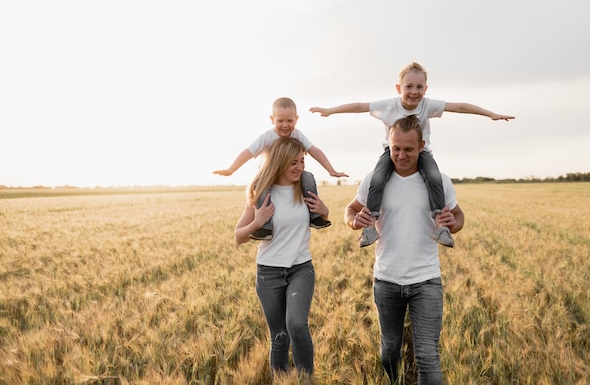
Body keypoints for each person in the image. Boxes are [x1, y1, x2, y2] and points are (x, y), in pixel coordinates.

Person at [311, 62, 513, 247]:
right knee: (378, 178)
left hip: (422, 152)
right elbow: (359, 106)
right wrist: (331, 111)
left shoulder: (428, 105)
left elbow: (459, 106)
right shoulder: (388, 105)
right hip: (390, 150)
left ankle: (441, 225)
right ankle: (370, 225)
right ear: (398, 88)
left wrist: (491, 115)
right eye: (409, 86)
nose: (414, 92)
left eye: (419, 87)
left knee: (434, 177)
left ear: (426, 89)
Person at [344, 115, 465, 384]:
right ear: (388, 146)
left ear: (422, 146)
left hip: (426, 280)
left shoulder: (439, 181)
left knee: (427, 355)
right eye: (395, 148)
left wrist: (451, 223)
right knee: (389, 350)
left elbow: (459, 217)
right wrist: (355, 221)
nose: (401, 155)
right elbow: (350, 210)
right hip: (386, 280)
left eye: (408, 149)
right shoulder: (374, 180)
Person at [235, 136, 329, 381]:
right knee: (279, 336)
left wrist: (325, 211)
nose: (299, 167)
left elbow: (322, 217)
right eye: (293, 163)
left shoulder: (306, 191)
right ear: (279, 162)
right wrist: (256, 222)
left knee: (297, 325)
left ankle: (305, 380)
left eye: (302, 161)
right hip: (268, 273)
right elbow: (238, 236)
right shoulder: (261, 194)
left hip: (301, 268)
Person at [215, 96, 347, 240]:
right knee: (260, 187)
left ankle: (314, 216)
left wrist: (331, 170)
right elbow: (248, 152)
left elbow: (314, 150)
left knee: (308, 177)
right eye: (280, 121)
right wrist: (231, 169)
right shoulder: (267, 137)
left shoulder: (298, 135)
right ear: (272, 120)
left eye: (289, 121)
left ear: (296, 119)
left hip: (288, 178)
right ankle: (265, 227)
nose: (285, 125)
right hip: (268, 175)